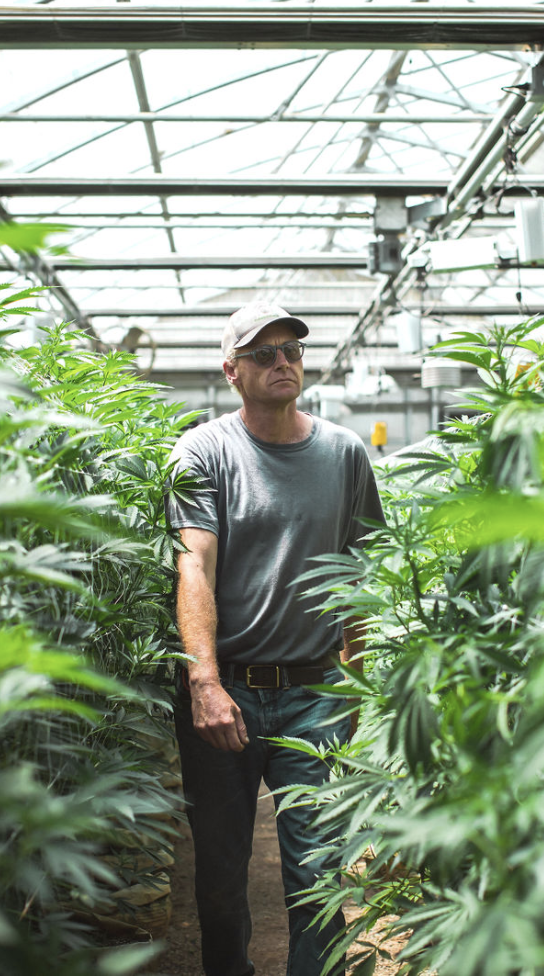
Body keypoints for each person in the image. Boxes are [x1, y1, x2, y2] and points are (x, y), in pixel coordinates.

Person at [166, 300, 384, 976]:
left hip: (315, 690)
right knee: (222, 878)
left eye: (291, 350)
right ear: (231, 371)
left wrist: (358, 677)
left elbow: (358, 572)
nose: (282, 362)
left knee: (318, 871)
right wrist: (204, 681)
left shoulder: (346, 453)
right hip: (225, 684)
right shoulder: (205, 451)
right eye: (263, 353)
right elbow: (193, 565)